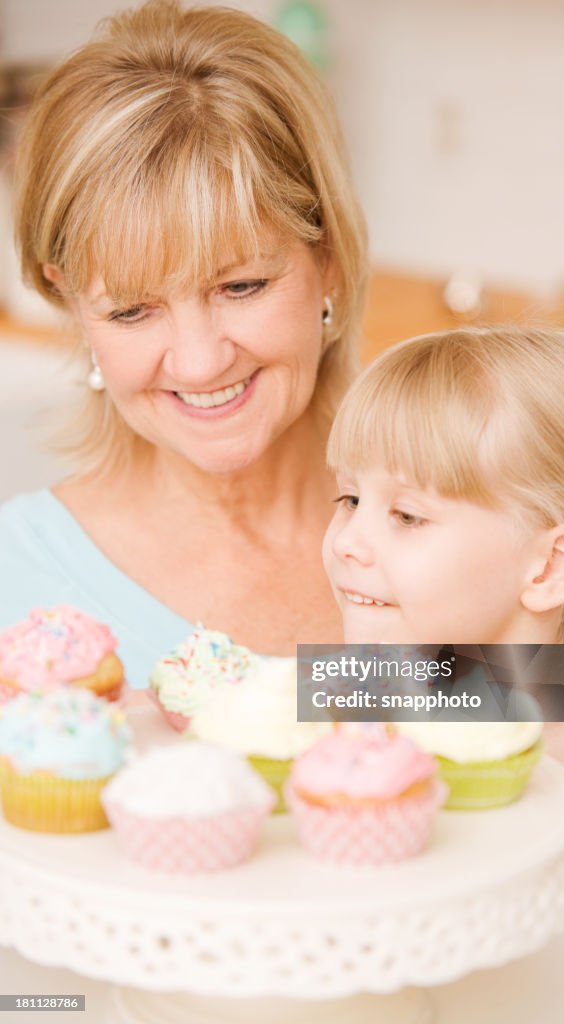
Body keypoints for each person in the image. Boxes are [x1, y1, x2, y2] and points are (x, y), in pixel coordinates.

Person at [321, 326, 564, 995]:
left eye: (406, 516)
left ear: (550, 565)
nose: (348, 540)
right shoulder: (332, 713)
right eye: (350, 498)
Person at [0, 0, 367, 684]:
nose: (200, 362)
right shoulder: (15, 583)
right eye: (133, 309)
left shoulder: (461, 525)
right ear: (72, 302)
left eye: (242, 286)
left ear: (329, 259)